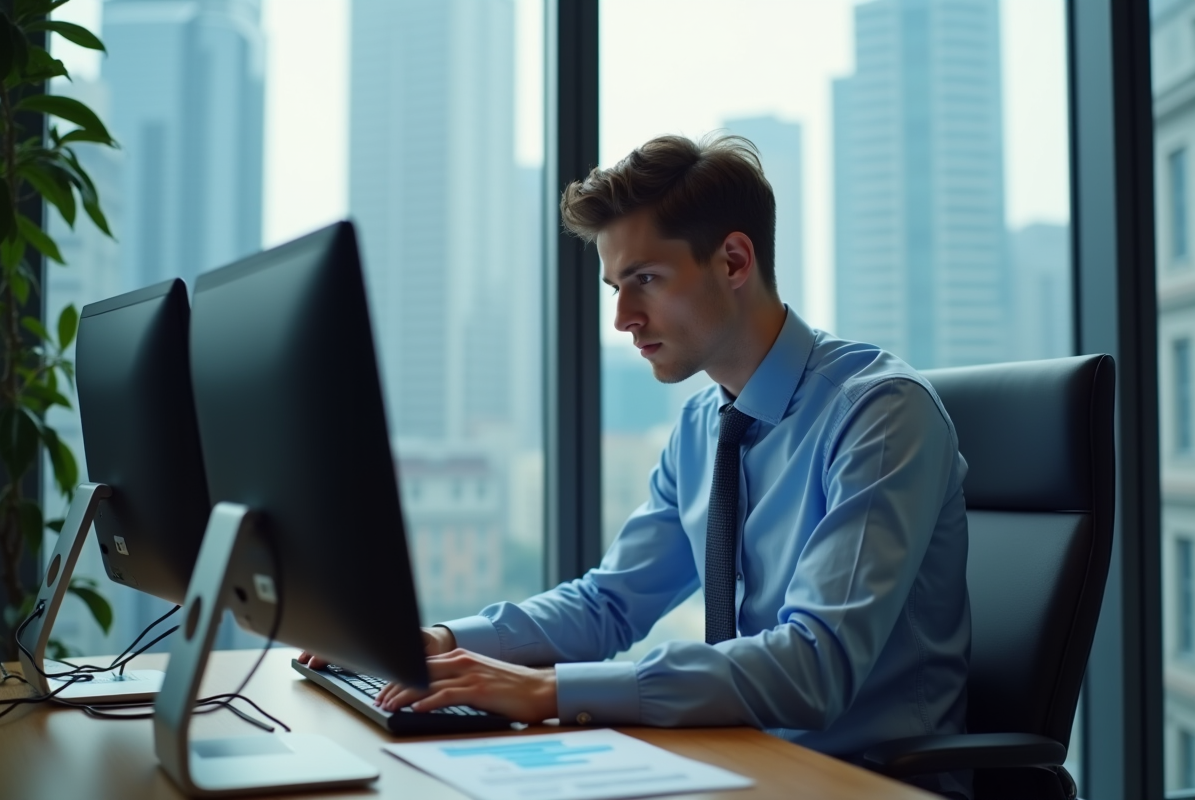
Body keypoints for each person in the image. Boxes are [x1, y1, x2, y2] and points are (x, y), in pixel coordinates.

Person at [300, 133, 971, 797]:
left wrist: (549, 691)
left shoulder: (880, 415)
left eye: (644, 280)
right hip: (736, 762)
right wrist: (439, 641)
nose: (621, 317)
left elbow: (813, 667)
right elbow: (609, 603)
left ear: (734, 261)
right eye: (615, 286)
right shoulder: (702, 426)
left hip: (863, 783)